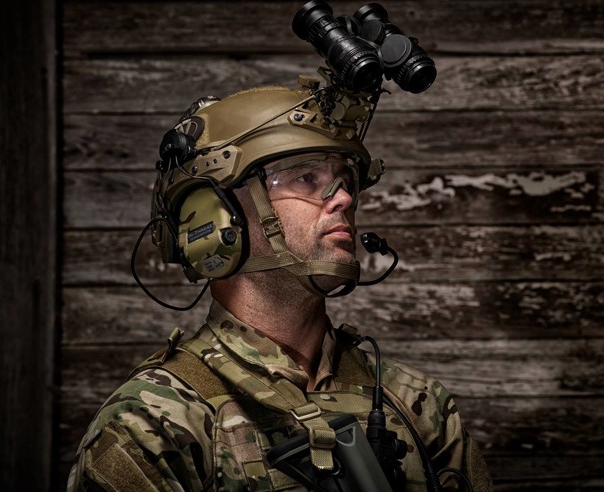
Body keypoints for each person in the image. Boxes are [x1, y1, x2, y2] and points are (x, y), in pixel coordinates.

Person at [66, 75, 493, 491]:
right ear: (215, 218)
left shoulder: (418, 404)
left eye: (345, 181)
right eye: (306, 178)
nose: (343, 198)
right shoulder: (154, 422)